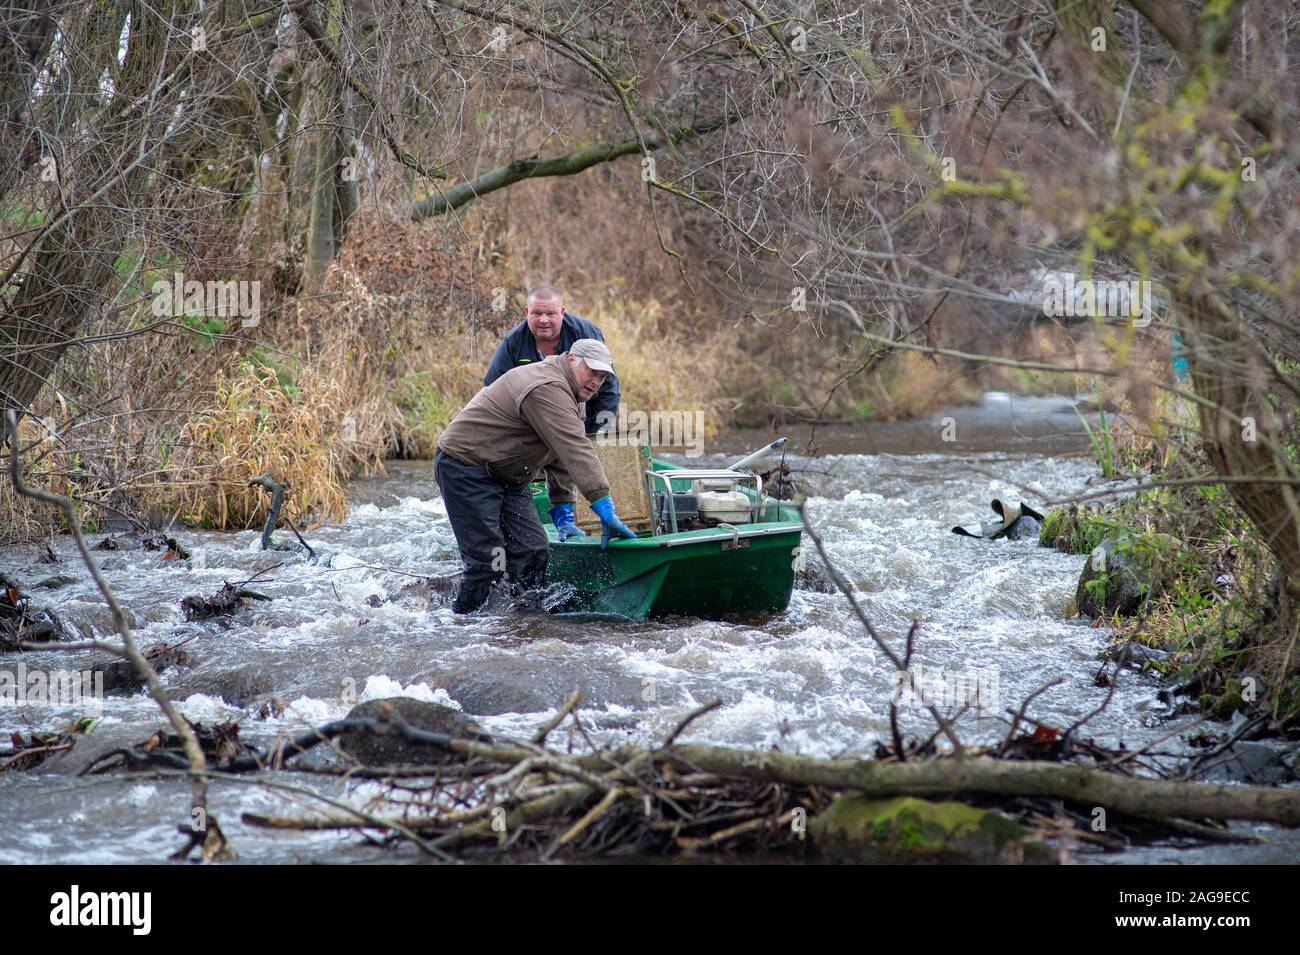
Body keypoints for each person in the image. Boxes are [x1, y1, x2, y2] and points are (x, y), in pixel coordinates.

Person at [435, 338, 638, 613]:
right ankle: (461, 624)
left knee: (533, 549)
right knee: (488, 561)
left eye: (603, 377)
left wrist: (563, 508)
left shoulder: (574, 393)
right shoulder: (547, 387)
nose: (596, 382)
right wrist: (603, 505)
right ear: (571, 359)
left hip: (510, 473)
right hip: (466, 465)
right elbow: (575, 448)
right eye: (592, 371)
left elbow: (559, 453)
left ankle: (523, 619)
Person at [483, 284, 619, 434]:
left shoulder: (586, 334)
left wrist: (600, 433)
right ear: (527, 312)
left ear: (561, 312)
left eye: (550, 313)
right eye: (537, 313)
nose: (544, 320)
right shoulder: (513, 342)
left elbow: (608, 388)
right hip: (531, 426)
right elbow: (492, 390)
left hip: (581, 421)